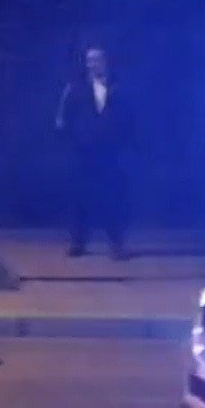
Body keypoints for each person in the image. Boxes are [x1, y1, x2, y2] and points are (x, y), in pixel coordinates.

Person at [54, 45, 134, 258]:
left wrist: (125, 144)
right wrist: (75, 141)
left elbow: (130, 117)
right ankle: (78, 242)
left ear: (106, 60)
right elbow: (63, 119)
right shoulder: (75, 87)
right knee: (81, 198)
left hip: (111, 153)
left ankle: (117, 244)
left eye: (97, 59)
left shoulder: (119, 86)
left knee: (114, 197)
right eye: (90, 60)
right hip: (84, 153)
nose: (93, 64)